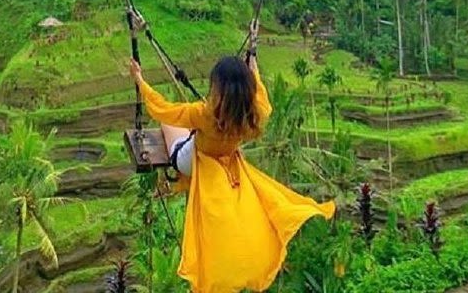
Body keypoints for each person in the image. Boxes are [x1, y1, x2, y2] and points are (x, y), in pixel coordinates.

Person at [128, 21, 335, 293]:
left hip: (193, 161)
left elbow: (162, 109)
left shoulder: (204, 113)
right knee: (190, 129)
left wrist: (139, 79)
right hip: (229, 160)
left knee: (170, 127)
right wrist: (253, 54)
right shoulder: (253, 115)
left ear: (218, 88)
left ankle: (178, 166)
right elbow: (260, 92)